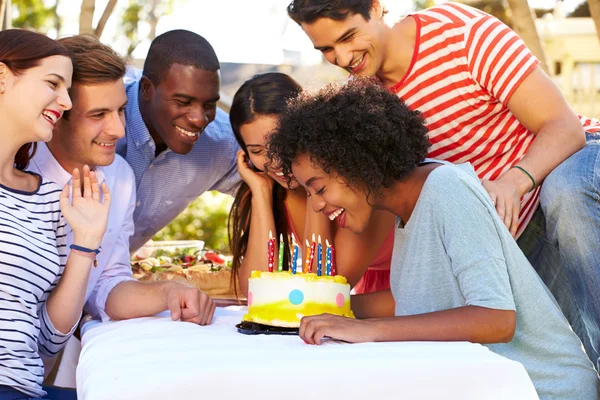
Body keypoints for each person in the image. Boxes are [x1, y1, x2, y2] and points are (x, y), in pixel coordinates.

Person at [287, 0, 600, 367]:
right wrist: (321, 304)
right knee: (551, 345)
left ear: (375, 8)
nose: (341, 57)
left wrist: (513, 183)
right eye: (325, 49)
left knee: (566, 192)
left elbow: (565, 128)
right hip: (503, 222)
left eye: (348, 37)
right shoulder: (365, 101)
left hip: (565, 167)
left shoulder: (460, 33)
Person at [267, 79, 599, 399]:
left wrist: (365, 330)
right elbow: (411, 301)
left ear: (354, 162)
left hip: (542, 390)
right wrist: (320, 311)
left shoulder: (446, 188)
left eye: (319, 187)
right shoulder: (404, 209)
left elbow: (496, 319)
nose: (317, 204)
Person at [28, 35, 216, 326]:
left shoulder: (119, 176)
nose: (117, 130)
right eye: (98, 114)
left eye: (119, 110)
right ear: (56, 112)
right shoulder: (18, 168)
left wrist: (168, 291)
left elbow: (106, 283)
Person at [0, 29, 110, 399]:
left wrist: (86, 242)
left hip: (26, 389)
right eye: (53, 84)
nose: (64, 102)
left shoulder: (48, 198)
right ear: (2, 78)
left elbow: (47, 340)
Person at [228, 72, 395, 296]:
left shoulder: (354, 181)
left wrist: (310, 183)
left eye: (280, 143)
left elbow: (325, 287)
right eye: (257, 151)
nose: (274, 160)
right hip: (363, 295)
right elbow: (255, 292)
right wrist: (260, 192)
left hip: (405, 290)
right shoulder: (268, 187)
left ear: (305, 129)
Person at [117, 29, 240, 253]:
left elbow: (273, 190)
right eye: (183, 102)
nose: (199, 119)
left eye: (210, 105)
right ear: (147, 89)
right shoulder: (101, 117)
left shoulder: (221, 143)